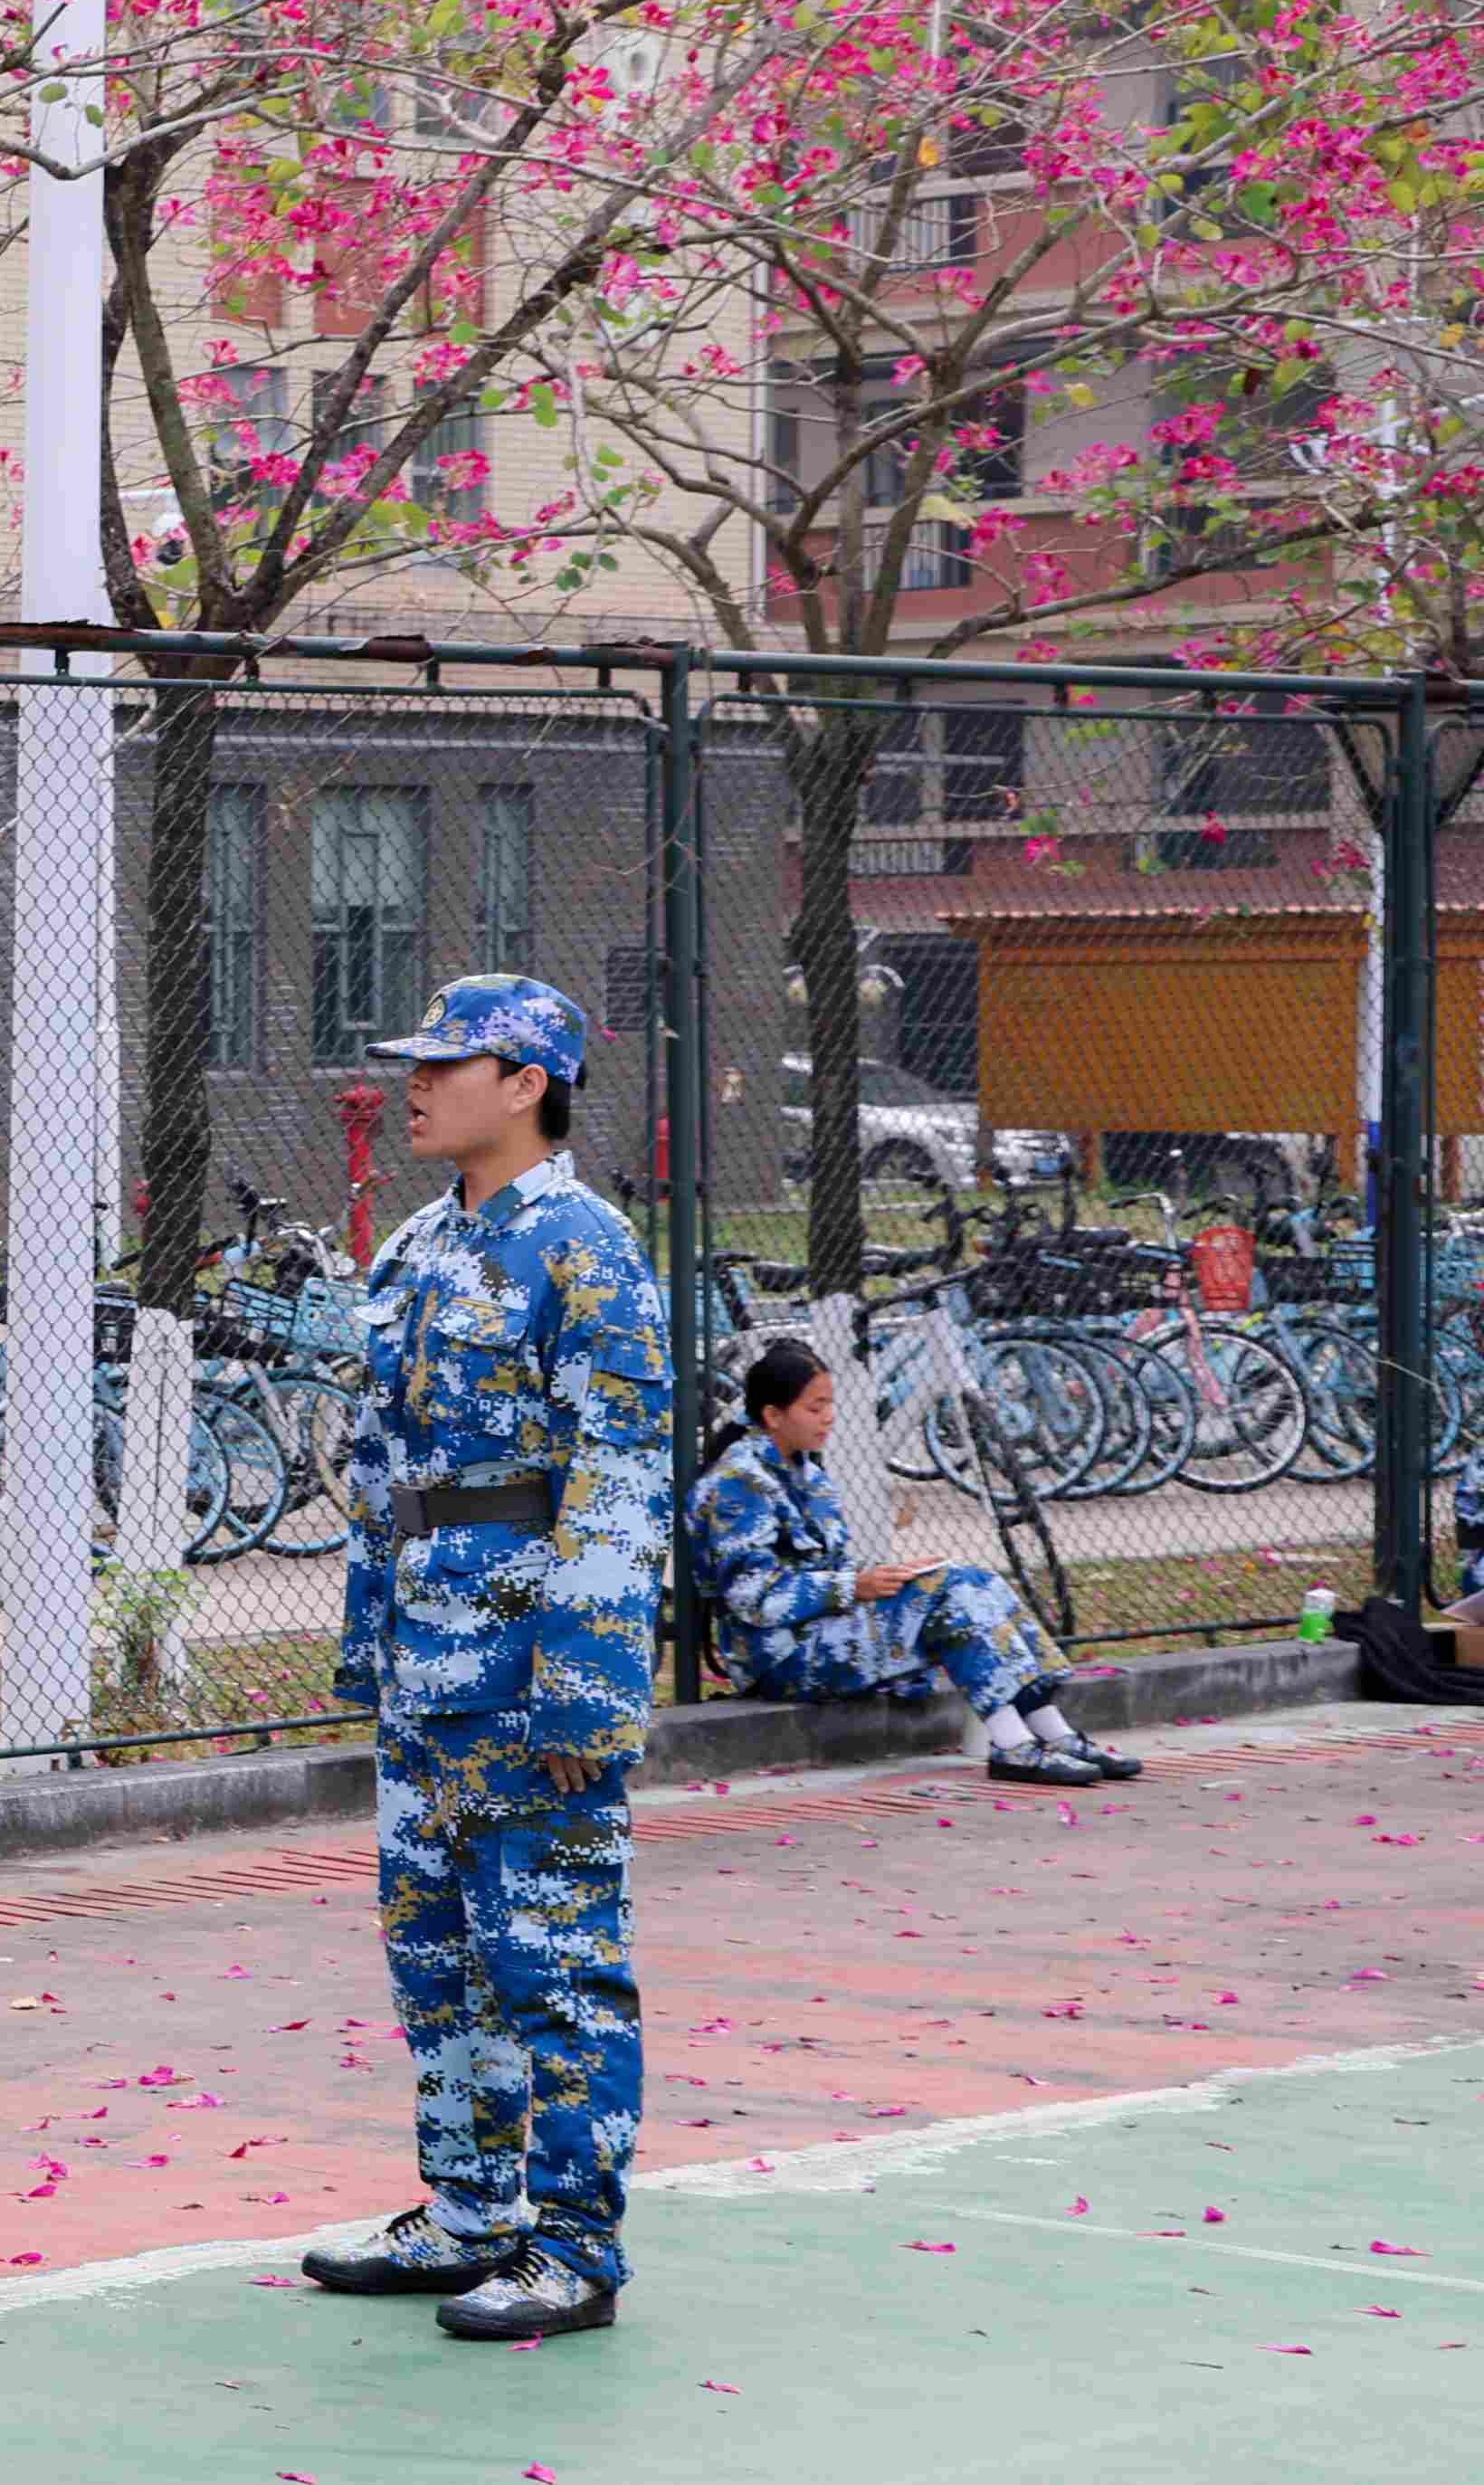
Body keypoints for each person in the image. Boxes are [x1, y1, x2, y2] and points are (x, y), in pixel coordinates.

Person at [307, 973, 671, 2346]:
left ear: (526, 1084)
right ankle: (471, 2211)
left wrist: (588, 1686)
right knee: (436, 1951)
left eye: (444, 1065)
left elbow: (616, 1479)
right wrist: (372, 1646)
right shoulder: (419, 1246)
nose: (413, 1084)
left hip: (528, 1667)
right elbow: (382, 1468)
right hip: (426, 1661)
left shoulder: (586, 1250)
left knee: (554, 1957)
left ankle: (575, 2245)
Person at [687, 1339, 1133, 1784]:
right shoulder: (737, 1485)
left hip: (824, 1633)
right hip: (780, 1660)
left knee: (973, 1581)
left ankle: (1053, 1733)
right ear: (773, 1415)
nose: (829, 1417)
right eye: (815, 1407)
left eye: (830, 1404)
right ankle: (1013, 1746)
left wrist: (888, 1579)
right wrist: (854, 1586)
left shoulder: (810, 1476)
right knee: (948, 1595)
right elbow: (753, 1598)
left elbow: (830, 1568)